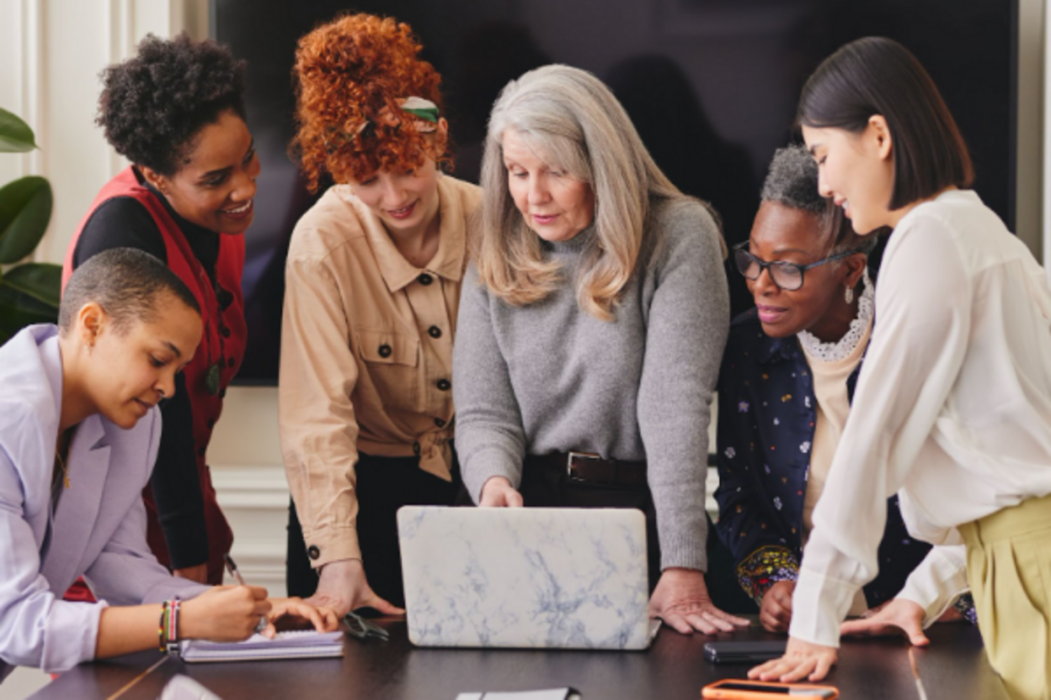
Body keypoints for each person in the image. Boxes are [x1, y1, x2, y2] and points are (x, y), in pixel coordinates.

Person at [749, 38, 1051, 700]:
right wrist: (920, 593)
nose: (823, 185)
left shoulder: (928, 239)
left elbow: (874, 437)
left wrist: (815, 616)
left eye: (825, 156)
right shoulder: (979, 233)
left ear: (879, 135)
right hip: (1013, 563)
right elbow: (1003, 471)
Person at [453, 64, 748, 635]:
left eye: (556, 173)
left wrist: (683, 562)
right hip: (521, 516)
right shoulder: (493, 243)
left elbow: (674, 408)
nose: (532, 196)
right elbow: (485, 410)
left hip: (631, 515)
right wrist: (492, 484)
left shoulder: (678, 233)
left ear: (600, 166)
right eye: (517, 172)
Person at [0, 249, 336, 681]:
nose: (168, 388)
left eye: (178, 370)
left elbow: (124, 566)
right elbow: (15, 625)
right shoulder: (8, 413)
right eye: (159, 360)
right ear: (92, 325)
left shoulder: (132, 424)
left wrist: (254, 611)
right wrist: (178, 621)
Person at [716, 144, 976, 633]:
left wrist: (920, 600)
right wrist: (779, 583)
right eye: (753, 259)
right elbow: (738, 496)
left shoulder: (916, 335)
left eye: (788, 268)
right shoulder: (746, 348)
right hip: (811, 627)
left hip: (930, 624)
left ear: (851, 270)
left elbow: (972, 503)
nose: (761, 285)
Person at [279, 13, 482, 614]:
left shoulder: (495, 221)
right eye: (366, 180)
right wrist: (340, 558)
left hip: (478, 487)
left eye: (408, 168)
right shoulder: (321, 245)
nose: (393, 199)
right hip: (360, 499)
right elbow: (317, 417)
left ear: (438, 139)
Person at [62, 33, 259, 586]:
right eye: (216, 180)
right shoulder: (121, 231)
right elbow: (160, 418)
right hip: (119, 532)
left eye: (247, 159)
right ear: (155, 175)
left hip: (186, 504)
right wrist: (188, 563)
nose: (245, 188)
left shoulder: (223, 220)